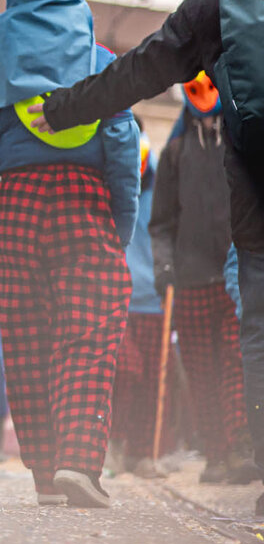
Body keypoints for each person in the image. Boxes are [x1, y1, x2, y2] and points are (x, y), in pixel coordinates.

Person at [37, 0, 264, 518]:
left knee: (260, 328)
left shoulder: (217, 0)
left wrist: (63, 109)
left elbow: (140, 68)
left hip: (254, 187)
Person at [0, 0, 139, 509]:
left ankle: (43, 473)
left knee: (27, 339)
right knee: (89, 329)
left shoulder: (0, 47)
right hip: (82, 202)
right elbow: (120, 141)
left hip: (13, 202)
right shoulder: (98, 55)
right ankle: (78, 462)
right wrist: (121, 220)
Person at [153, 74, 257, 485]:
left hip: (234, 275)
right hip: (190, 278)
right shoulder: (175, 154)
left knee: (236, 364)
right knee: (200, 370)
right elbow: (160, 223)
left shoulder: (240, 144)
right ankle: (215, 454)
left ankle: (240, 448)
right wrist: (164, 265)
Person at [112, 137, 170, 478]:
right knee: (124, 373)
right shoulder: (112, 188)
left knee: (152, 381)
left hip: (154, 301)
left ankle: (143, 453)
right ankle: (115, 446)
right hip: (117, 299)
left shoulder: (161, 191)